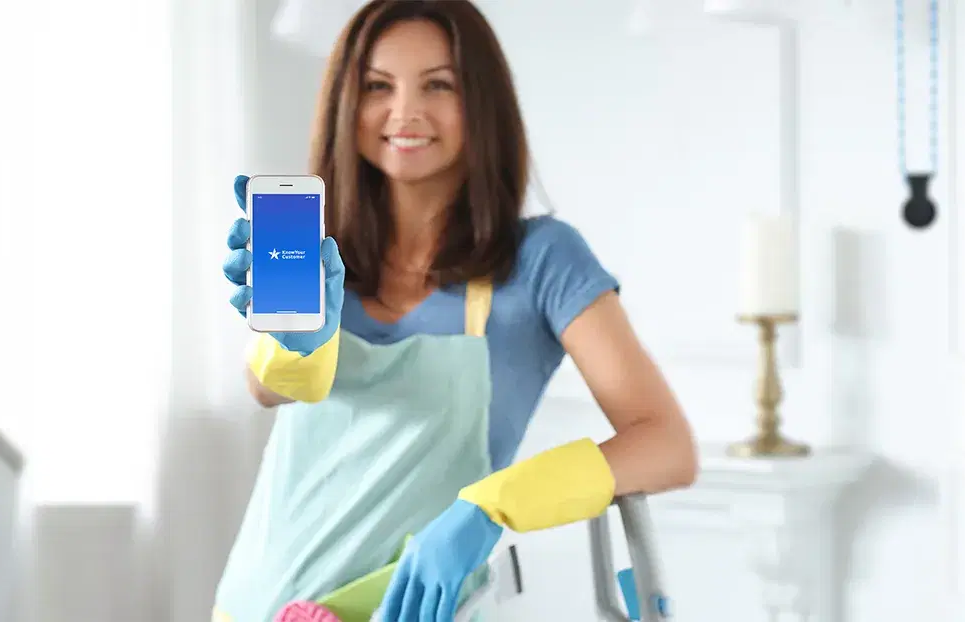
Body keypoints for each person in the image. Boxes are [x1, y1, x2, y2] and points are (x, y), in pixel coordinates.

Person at [214, 2, 698, 621]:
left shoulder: (541, 261)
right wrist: (296, 339)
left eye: (438, 85)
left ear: (481, 101)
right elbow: (267, 389)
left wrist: (492, 505)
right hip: (251, 604)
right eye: (377, 86)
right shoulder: (316, 246)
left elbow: (667, 445)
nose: (405, 112)